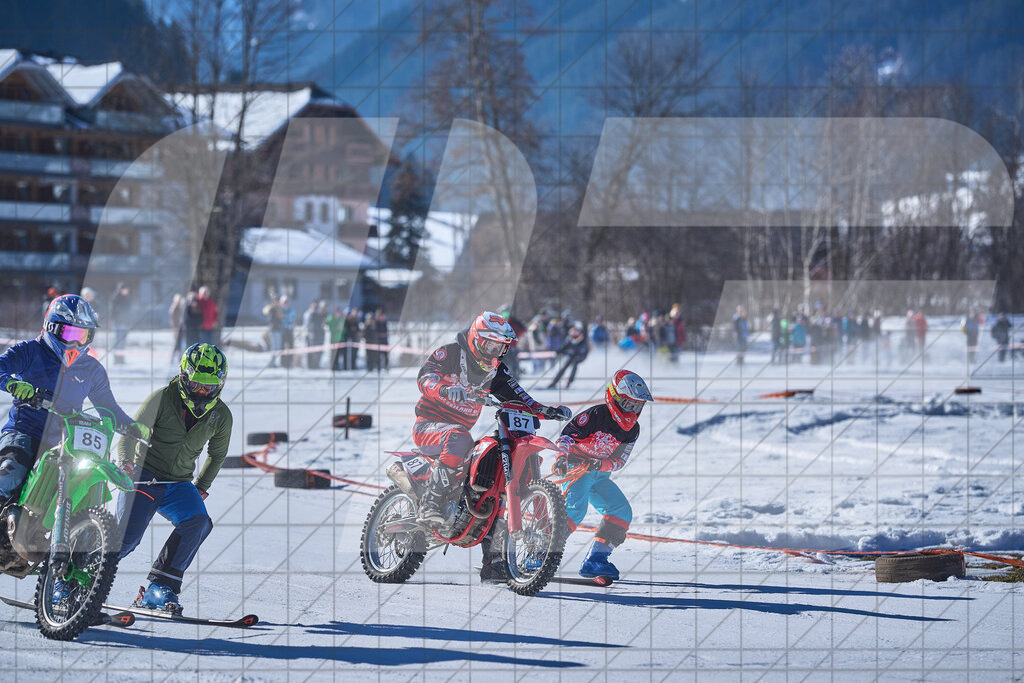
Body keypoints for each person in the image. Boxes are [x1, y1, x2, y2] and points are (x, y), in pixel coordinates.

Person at [412, 311, 570, 582]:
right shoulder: (450, 353)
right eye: (490, 344)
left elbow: (519, 396)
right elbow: (425, 377)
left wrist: (545, 410)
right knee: (460, 438)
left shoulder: (495, 369)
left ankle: (494, 562)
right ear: (476, 338)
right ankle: (431, 504)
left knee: (495, 483)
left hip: (459, 431)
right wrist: (444, 389)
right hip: (430, 424)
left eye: (500, 346)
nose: (495, 350)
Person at [0, 295, 149, 506]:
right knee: (9, 476)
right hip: (23, 434)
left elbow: (108, 408)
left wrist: (131, 426)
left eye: (84, 335)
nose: (77, 342)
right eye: (71, 333)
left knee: (82, 486)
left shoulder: (92, 369)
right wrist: (12, 384)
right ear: (52, 327)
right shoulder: (29, 351)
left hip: (66, 443)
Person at [116, 343, 231, 613]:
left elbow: (217, 454)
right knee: (126, 540)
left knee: (199, 522)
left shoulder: (221, 415)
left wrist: (202, 486)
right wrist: (126, 462)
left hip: (178, 483)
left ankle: (159, 587)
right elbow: (131, 432)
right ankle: (70, 577)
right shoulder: (162, 398)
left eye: (209, 386)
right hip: (145, 476)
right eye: (197, 384)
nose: (202, 391)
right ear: (184, 376)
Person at [552, 369, 653, 581]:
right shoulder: (595, 415)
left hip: (598, 473)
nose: (633, 411)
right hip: (575, 468)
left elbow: (620, 461)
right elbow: (565, 438)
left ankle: (596, 560)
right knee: (575, 510)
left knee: (621, 511)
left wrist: (600, 463)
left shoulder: (632, 429)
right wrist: (561, 458)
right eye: (629, 404)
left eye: (637, 406)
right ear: (614, 399)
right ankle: (541, 554)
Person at [547, 324, 588, 389]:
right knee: (564, 366)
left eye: (575, 332)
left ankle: (569, 381)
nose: (573, 334)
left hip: (580, 356)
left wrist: (573, 351)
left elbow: (583, 350)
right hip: (571, 355)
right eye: (572, 332)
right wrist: (558, 351)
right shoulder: (569, 338)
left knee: (575, 364)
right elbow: (564, 346)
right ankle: (554, 382)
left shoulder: (582, 339)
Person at [110, 283, 132, 365]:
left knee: (123, 342)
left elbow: (129, 311)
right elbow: (114, 312)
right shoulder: (116, 299)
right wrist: (116, 320)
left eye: (127, 289)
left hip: (126, 323)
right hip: (118, 323)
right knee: (118, 341)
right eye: (125, 289)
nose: (126, 291)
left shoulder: (127, 298)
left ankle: (121, 359)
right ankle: (116, 359)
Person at [302, 300, 327, 369]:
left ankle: (316, 365)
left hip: (319, 335)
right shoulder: (309, 313)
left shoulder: (320, 314)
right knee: (312, 352)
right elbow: (307, 324)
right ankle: (311, 366)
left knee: (319, 351)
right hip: (311, 335)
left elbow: (324, 322)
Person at [280, 296, 296, 368]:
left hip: (290, 330)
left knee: (290, 346)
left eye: (287, 302)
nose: (286, 304)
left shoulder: (292, 311)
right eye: (285, 302)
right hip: (283, 331)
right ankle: (283, 362)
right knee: (282, 347)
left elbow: (292, 320)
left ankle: (289, 362)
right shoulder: (280, 311)